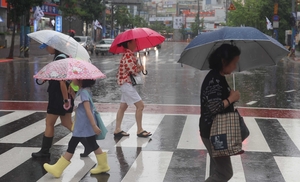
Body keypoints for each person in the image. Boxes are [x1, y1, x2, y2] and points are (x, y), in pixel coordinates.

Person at [31, 45, 92, 158]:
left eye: (48, 46)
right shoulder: (64, 57)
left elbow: (62, 82)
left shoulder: (59, 59)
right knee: (67, 123)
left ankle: (45, 152)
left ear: (55, 47)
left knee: (49, 123)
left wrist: (65, 100)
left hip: (58, 97)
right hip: (63, 97)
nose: (47, 49)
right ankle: (89, 144)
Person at [43, 79, 110, 178]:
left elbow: (88, 111)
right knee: (92, 143)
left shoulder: (83, 93)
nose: (71, 80)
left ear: (80, 81)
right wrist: (73, 95)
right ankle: (103, 165)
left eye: (74, 78)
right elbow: (80, 104)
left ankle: (58, 169)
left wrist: (94, 126)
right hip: (83, 125)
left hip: (83, 126)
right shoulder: (84, 91)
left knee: (72, 144)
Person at [200, 44, 241, 182]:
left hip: (213, 131)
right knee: (225, 173)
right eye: (234, 62)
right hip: (214, 132)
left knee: (217, 170)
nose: (235, 66)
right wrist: (231, 98)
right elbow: (214, 107)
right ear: (224, 61)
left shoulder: (218, 77)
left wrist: (229, 97)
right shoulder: (214, 80)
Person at [114, 39, 151, 138]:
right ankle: (140, 130)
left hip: (125, 84)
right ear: (129, 43)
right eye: (134, 42)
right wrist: (140, 68)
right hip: (126, 84)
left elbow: (130, 68)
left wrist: (137, 65)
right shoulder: (128, 55)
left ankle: (117, 129)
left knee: (123, 107)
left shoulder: (128, 54)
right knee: (140, 106)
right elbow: (133, 71)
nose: (136, 43)